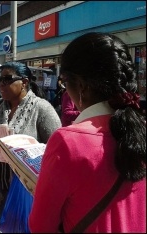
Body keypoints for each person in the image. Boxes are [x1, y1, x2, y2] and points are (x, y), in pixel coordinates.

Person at [29, 32, 146, 233]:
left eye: (65, 83)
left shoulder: (67, 142)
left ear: (81, 86)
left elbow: (40, 226)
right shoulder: (140, 129)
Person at [0, 61, 61, 232]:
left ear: (24, 82)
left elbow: (58, 150)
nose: (0, 84)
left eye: (7, 79)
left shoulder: (42, 108)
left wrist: (26, 152)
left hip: (26, 190)